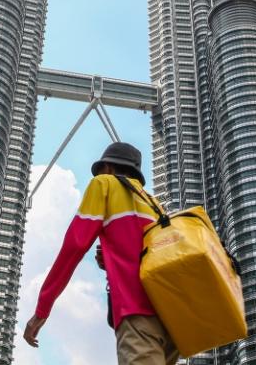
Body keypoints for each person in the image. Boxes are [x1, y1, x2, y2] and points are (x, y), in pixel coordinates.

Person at [23, 142, 178, 365]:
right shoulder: (154, 203)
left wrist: (42, 309)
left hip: (137, 311)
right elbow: (150, 255)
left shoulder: (103, 184)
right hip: (171, 318)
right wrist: (111, 261)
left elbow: (75, 246)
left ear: (107, 167)